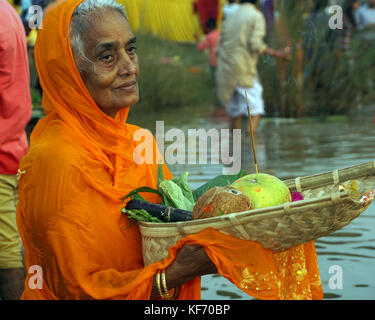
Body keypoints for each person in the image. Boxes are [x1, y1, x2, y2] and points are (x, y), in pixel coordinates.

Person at [17, 0, 323, 300]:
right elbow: (74, 290)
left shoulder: (139, 141)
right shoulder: (56, 160)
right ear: (68, 71)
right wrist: (177, 272)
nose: (129, 67)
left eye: (131, 50)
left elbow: (172, 229)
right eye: (107, 56)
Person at [216, 0, 289, 135]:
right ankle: (253, 146)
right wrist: (276, 53)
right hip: (242, 70)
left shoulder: (230, 14)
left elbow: (220, 45)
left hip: (225, 70)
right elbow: (255, 44)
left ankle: (235, 151)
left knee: (235, 113)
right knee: (255, 111)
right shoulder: (255, 15)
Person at [0, 0, 32, 299]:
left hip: (1, 154)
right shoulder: (9, 12)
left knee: (5, 255)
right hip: (17, 145)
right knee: (17, 244)